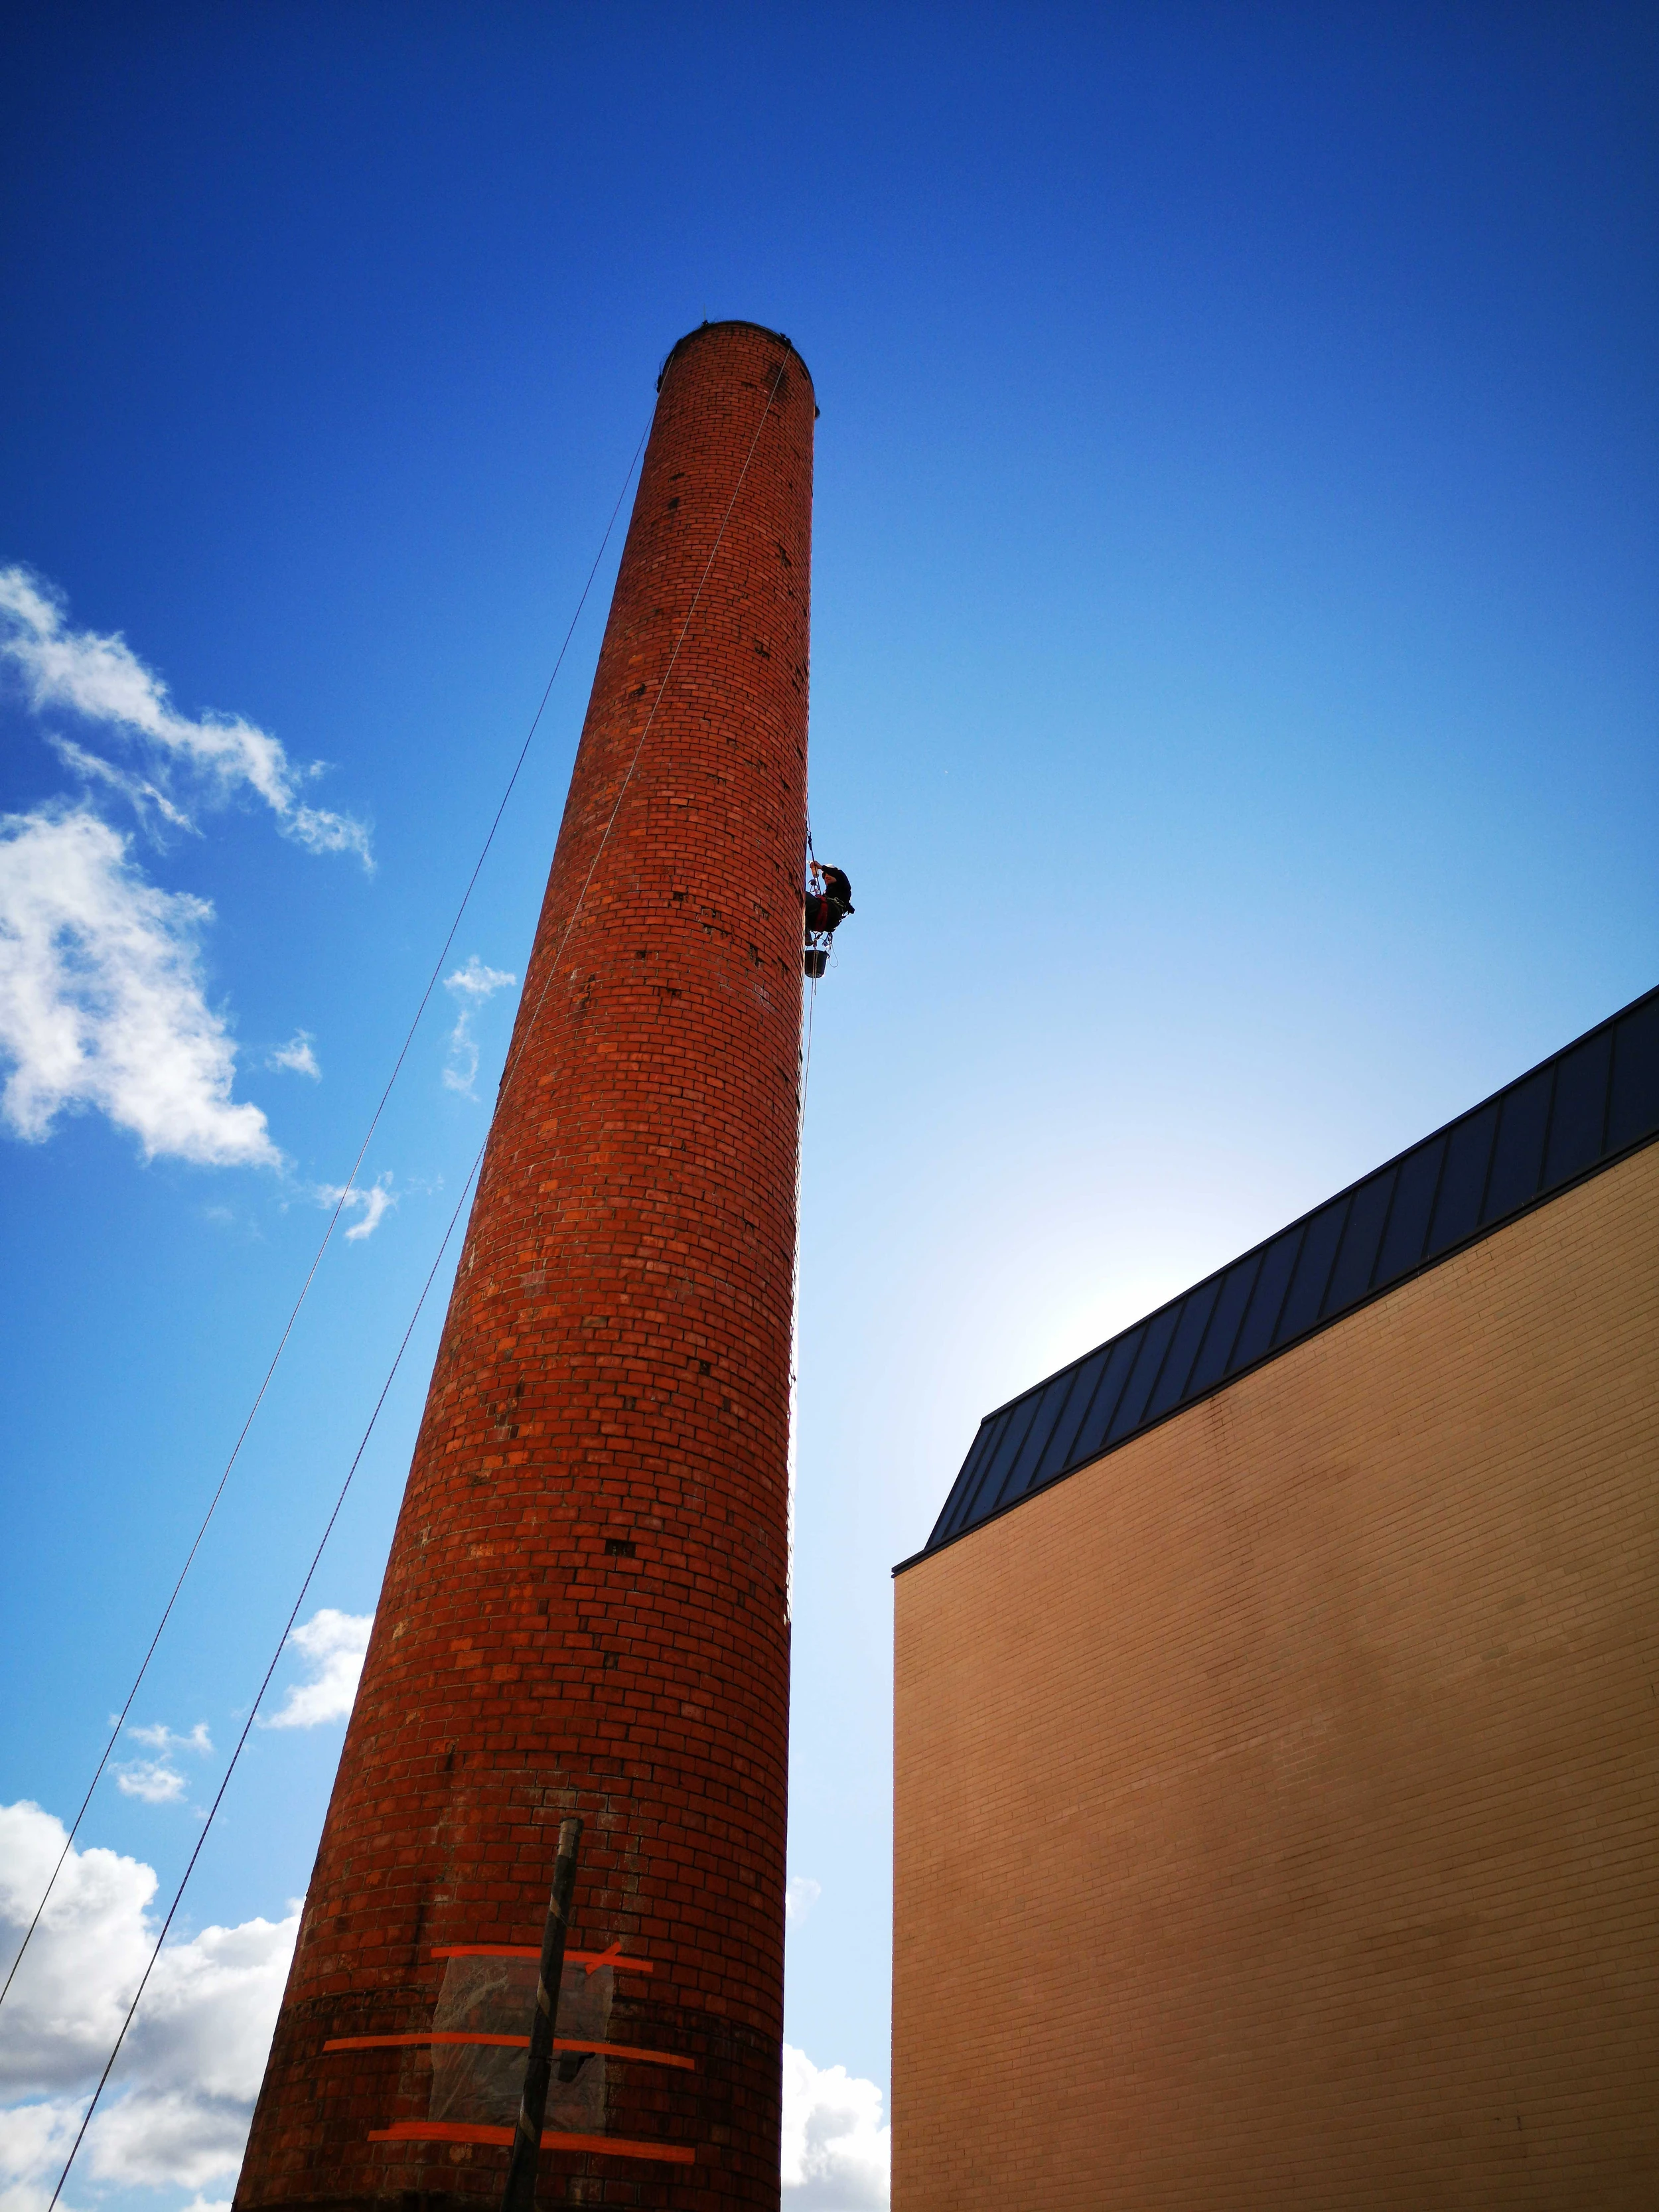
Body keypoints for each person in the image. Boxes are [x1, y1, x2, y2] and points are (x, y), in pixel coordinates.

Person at [803, 864, 853, 937]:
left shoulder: (843, 885)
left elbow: (839, 875)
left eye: (829, 874)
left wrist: (821, 867)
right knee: (802, 913)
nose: (826, 877)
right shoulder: (827, 893)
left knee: (803, 895)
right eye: (825, 876)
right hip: (826, 921)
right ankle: (806, 936)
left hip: (832, 912)